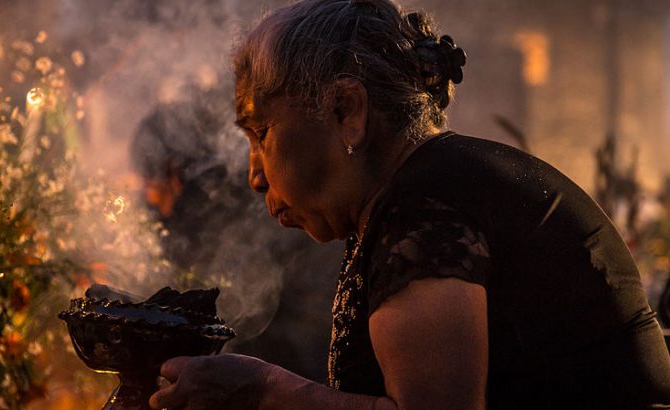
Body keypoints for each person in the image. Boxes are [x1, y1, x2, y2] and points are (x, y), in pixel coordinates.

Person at [149, 0, 670, 409]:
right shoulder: (423, 189)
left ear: (346, 110)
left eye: (262, 132)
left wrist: (262, 390)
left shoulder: (427, 207)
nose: (255, 175)